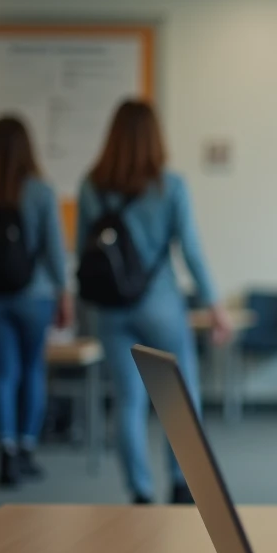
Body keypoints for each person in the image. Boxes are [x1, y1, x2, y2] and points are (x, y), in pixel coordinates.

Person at [76, 99, 231, 505]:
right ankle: (180, 485)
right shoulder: (170, 186)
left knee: (128, 401)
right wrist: (215, 307)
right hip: (161, 306)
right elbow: (191, 251)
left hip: (111, 309)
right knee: (178, 399)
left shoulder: (91, 186)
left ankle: (139, 492)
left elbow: (82, 253)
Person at [0, 116, 72, 486]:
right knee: (32, 370)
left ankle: (5, 451)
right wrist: (63, 292)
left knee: (1, 373)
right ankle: (26, 448)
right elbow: (54, 249)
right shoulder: (40, 190)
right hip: (34, 295)